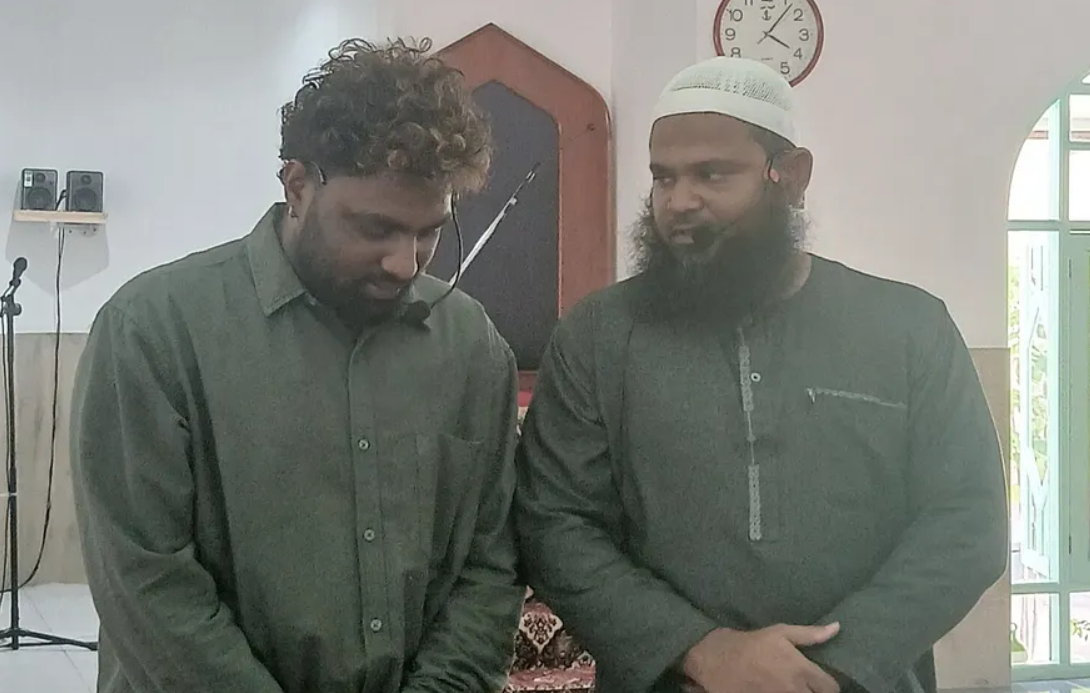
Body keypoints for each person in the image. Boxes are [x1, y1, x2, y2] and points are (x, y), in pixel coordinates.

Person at [515, 56, 1008, 693]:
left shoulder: (910, 327)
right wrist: (702, 650)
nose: (679, 202)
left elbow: (967, 522)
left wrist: (827, 666)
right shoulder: (596, 336)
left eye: (712, 174)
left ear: (791, 176)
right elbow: (555, 523)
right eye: (663, 177)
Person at [70, 37, 524, 693]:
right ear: (298, 186)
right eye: (375, 228)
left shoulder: (471, 346)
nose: (404, 263)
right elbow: (146, 584)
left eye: (428, 231)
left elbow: (489, 563)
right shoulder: (152, 332)